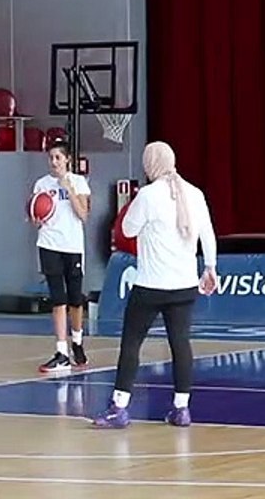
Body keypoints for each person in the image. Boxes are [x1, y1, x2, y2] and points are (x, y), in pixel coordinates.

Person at [92, 141, 218, 429]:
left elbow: (127, 230)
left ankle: (119, 407)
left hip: (151, 285)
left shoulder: (148, 196)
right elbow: (207, 234)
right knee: (181, 343)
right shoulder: (195, 193)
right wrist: (210, 268)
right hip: (185, 284)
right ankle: (182, 408)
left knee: (132, 342)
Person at [32, 141, 92, 372]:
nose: (54, 162)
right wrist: (35, 218)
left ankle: (77, 342)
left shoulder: (78, 182)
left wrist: (69, 189)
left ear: (67, 159)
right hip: (49, 244)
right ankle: (61, 351)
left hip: (73, 247)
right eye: (51, 158)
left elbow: (83, 215)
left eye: (58, 157)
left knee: (75, 300)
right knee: (58, 300)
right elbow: (36, 213)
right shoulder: (41, 184)